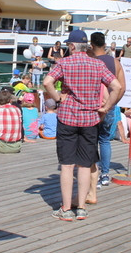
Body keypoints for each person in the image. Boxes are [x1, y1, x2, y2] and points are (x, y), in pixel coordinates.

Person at [42, 29, 121, 221]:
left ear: (71, 46)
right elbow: (117, 87)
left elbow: (47, 82)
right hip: (90, 120)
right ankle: (82, 207)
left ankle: (66, 208)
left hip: (68, 118)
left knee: (67, 166)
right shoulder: (97, 64)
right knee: (85, 165)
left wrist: (58, 97)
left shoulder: (65, 63)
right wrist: (106, 107)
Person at [89, 32, 125, 187]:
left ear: (91, 45)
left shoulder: (90, 61)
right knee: (104, 140)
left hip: (92, 107)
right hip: (109, 106)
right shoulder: (115, 62)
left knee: (90, 140)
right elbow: (122, 88)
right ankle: (105, 174)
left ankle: (93, 175)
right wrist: (111, 104)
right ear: (104, 44)